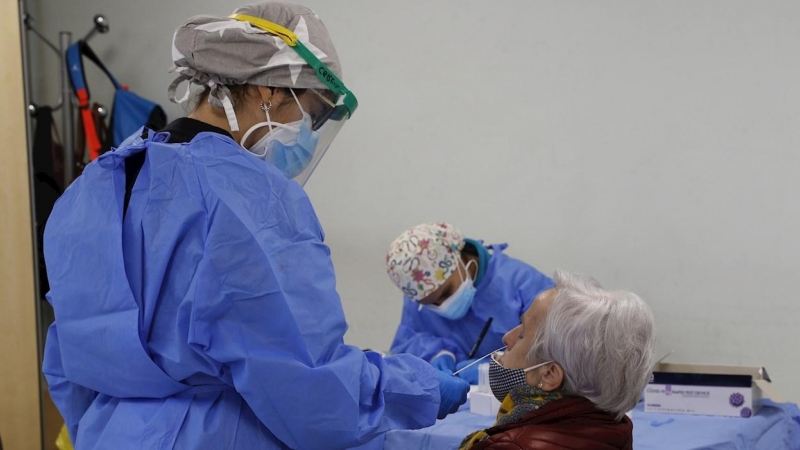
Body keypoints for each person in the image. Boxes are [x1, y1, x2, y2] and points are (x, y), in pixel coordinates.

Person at [41, 3, 469, 449]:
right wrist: (423, 388)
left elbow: (67, 364)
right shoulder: (250, 200)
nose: (308, 131)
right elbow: (310, 387)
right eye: (314, 113)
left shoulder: (90, 188)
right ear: (270, 89)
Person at [458, 270, 656, 450]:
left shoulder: (512, 446)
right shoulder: (615, 428)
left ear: (550, 374)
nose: (506, 338)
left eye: (522, 334)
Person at [386, 222, 554, 384]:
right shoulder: (419, 293)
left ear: (460, 260)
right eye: (432, 304)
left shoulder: (522, 284)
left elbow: (559, 351)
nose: (443, 306)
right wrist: (436, 354)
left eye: (446, 292)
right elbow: (406, 343)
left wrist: (503, 369)